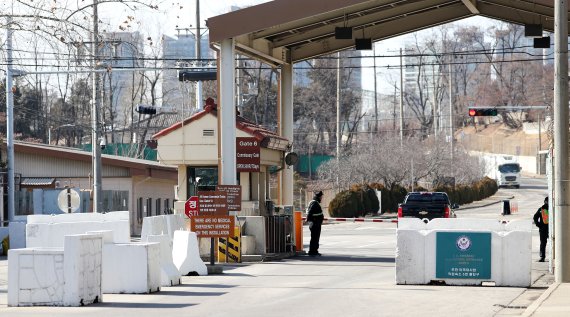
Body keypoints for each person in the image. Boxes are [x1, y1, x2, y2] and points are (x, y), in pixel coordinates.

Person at [306, 191, 324, 256]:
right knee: (314, 238)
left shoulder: (314, 202)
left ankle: (314, 251)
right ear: (318, 197)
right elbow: (310, 213)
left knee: (315, 238)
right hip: (315, 224)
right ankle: (312, 251)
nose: (322, 198)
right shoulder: (314, 203)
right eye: (321, 197)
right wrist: (310, 221)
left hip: (316, 223)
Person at [533, 196, 549, 262]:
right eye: (548, 201)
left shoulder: (554, 208)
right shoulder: (542, 209)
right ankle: (542, 257)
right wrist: (539, 225)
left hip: (553, 228)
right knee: (543, 243)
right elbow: (535, 217)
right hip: (543, 228)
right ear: (545, 201)